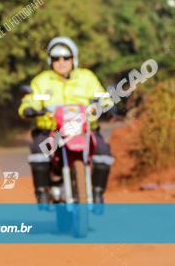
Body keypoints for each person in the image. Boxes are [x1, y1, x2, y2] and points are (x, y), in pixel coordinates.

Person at [19, 36, 114, 209]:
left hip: (85, 131)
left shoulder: (87, 78)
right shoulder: (42, 80)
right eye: (56, 58)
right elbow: (31, 99)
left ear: (74, 58)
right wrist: (29, 108)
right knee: (38, 151)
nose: (61, 62)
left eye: (66, 57)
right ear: (50, 60)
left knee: (104, 153)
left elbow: (102, 97)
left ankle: (98, 193)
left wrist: (107, 106)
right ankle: (42, 192)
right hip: (52, 131)